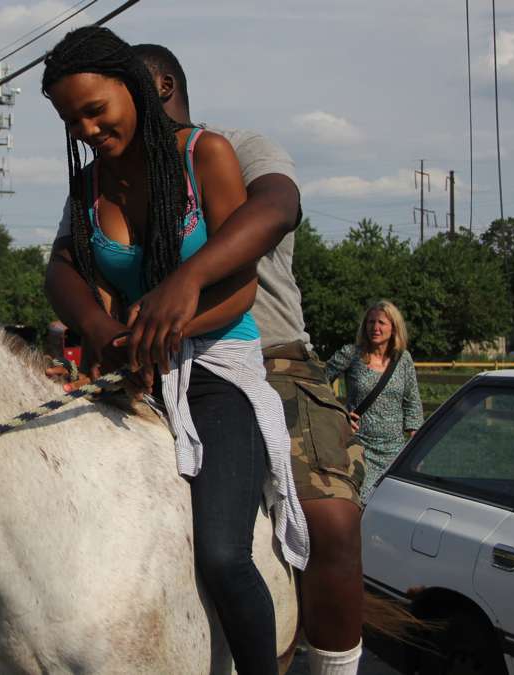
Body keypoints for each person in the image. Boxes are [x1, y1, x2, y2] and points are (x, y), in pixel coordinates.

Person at [46, 42, 366, 675]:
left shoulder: (229, 147)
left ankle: (331, 663)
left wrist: (184, 285)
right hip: (144, 362)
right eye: (71, 119)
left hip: (260, 356)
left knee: (327, 517)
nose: (87, 130)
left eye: (96, 108)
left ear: (152, 83)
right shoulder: (93, 179)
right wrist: (102, 328)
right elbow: (64, 265)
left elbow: (276, 207)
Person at [326, 300, 423, 503]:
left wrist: (417, 444)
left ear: (394, 327)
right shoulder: (351, 354)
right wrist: (338, 414)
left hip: (395, 450)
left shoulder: (403, 359)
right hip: (359, 446)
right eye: (370, 322)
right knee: (362, 501)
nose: (375, 328)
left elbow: (412, 401)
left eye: (381, 322)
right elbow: (318, 383)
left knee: (393, 503)